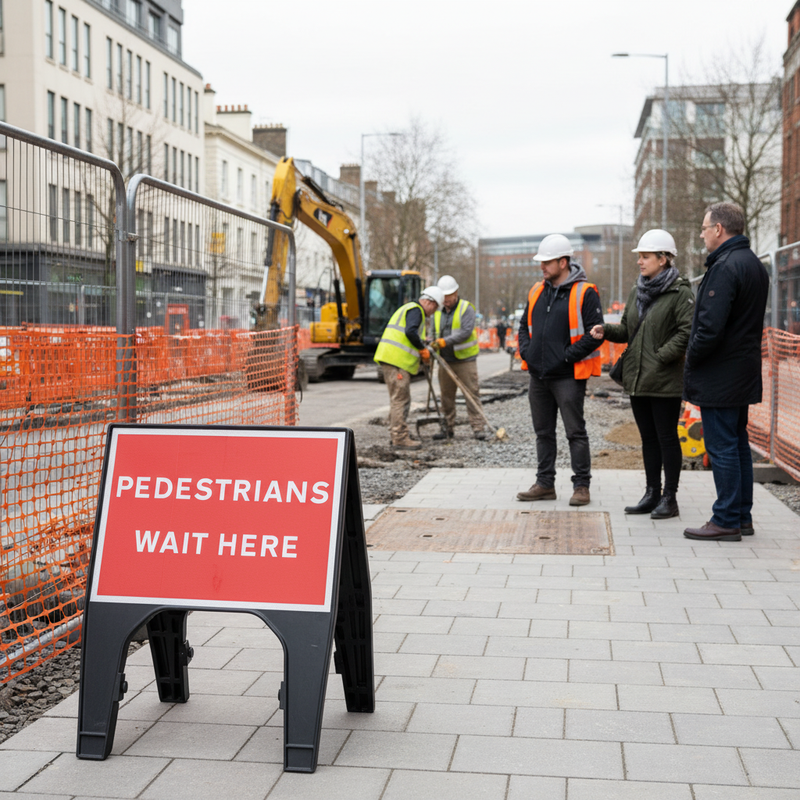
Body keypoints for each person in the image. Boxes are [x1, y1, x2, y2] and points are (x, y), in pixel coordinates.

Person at [590, 229, 694, 519]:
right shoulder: (638, 290)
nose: (640, 261)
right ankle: (651, 493)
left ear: (663, 259)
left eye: (645, 256)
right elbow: (627, 328)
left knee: (666, 438)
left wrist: (661, 357)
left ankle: (669, 498)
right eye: (640, 256)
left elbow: (687, 332)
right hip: (638, 379)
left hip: (664, 379)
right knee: (648, 438)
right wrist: (605, 330)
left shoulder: (680, 292)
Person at [681, 203, 769, 541]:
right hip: (742, 369)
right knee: (737, 443)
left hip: (721, 373)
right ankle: (741, 516)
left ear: (719, 229)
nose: (702, 234)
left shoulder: (724, 266)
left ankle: (727, 518)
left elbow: (709, 327)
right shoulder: (754, 265)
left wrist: (691, 358)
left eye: (704, 228)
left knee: (722, 446)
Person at [516, 234, 603, 506]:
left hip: (568, 376)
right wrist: (527, 353)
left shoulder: (585, 292)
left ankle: (581, 486)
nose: (542, 266)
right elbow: (522, 327)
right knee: (543, 433)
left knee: (575, 432)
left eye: (547, 262)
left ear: (563, 262)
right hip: (538, 376)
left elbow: (594, 335)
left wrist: (565, 358)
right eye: (540, 262)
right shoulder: (536, 291)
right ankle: (545, 484)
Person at [373, 286, 444, 451]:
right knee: (401, 399)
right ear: (428, 301)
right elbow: (411, 332)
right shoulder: (416, 310)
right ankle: (399, 437)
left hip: (391, 360)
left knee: (398, 399)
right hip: (396, 361)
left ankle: (396, 433)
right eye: (434, 307)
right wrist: (422, 348)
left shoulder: (409, 309)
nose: (433, 312)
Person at [431, 275, 487, 440]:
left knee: (471, 394)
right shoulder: (437, 312)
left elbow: (465, 332)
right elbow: (433, 332)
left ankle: (478, 428)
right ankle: (447, 428)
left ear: (456, 293)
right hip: (444, 360)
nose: (446, 301)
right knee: (446, 397)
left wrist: (443, 342)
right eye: (444, 298)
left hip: (465, 361)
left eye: (448, 297)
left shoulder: (466, 308)